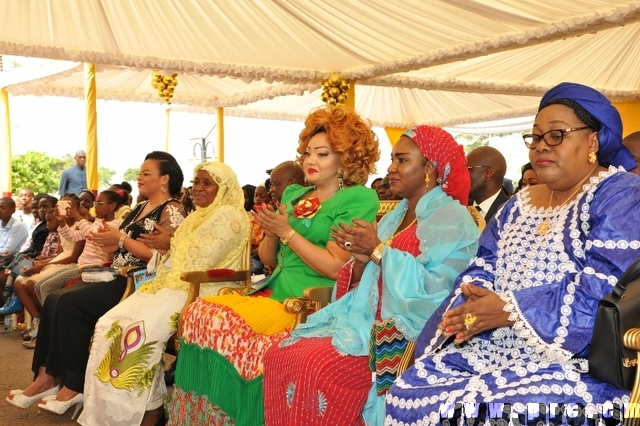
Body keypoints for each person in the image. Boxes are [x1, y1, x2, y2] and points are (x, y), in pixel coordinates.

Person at [386, 82, 640, 424]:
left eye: (556, 135)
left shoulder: (620, 194)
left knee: (485, 411)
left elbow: (605, 287)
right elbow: (482, 266)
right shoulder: (518, 204)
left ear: (592, 141)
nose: (540, 147)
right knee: (408, 392)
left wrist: (509, 310)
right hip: (493, 345)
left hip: (580, 361)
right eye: (535, 137)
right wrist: (474, 305)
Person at [167, 106, 380, 426]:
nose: (310, 161)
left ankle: (247, 416)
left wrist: (287, 231)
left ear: (345, 161)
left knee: (227, 320)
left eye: (322, 154)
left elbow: (337, 268)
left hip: (311, 301)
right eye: (308, 153)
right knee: (200, 312)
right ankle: (212, 416)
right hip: (272, 288)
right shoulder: (297, 194)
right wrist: (270, 229)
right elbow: (268, 260)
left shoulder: (356, 199)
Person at [263, 125, 480, 425]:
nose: (391, 168)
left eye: (402, 160)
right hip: (365, 319)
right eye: (392, 159)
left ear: (429, 167)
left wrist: (378, 251)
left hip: (407, 336)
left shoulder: (451, 218)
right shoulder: (395, 215)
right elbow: (367, 277)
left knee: (314, 364)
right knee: (280, 354)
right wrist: (362, 258)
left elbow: (438, 292)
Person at [5, 151, 186, 419]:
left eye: (146, 173)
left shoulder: (173, 209)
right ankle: (46, 376)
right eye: (140, 172)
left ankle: (73, 384)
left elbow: (165, 257)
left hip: (139, 280)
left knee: (69, 303)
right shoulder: (139, 207)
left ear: (165, 179)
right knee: (55, 297)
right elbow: (122, 243)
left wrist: (121, 240)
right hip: (115, 272)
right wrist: (109, 240)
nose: (139, 178)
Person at [78, 161, 249, 426]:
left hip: (203, 288)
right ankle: (137, 408)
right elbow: (176, 255)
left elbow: (202, 260)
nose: (198, 188)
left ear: (224, 187)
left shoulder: (231, 216)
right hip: (170, 283)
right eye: (196, 182)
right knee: (109, 323)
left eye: (207, 183)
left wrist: (170, 244)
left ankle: (146, 412)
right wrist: (165, 248)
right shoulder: (196, 215)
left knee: (140, 329)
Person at [17, 190, 125, 347]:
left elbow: (94, 235)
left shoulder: (115, 225)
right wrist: (61, 222)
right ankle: (53, 327)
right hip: (82, 265)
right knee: (40, 286)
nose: (96, 207)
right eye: (96, 204)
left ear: (113, 206)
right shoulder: (95, 223)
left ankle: (54, 330)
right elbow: (74, 237)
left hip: (94, 267)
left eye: (100, 204)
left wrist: (78, 217)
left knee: (46, 287)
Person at [467, 146, 510, 221]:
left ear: (488, 173)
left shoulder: (510, 212)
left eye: (468, 169)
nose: (462, 176)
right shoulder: (461, 208)